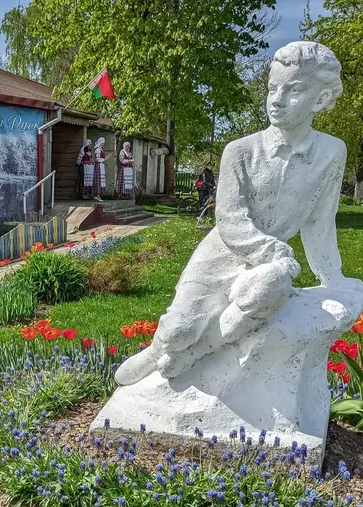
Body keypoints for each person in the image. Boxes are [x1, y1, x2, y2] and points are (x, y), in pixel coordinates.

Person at [116, 40, 350, 386]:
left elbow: (320, 220)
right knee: (180, 329)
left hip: (269, 266)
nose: (277, 99)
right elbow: (229, 217)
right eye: (272, 88)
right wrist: (273, 250)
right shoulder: (241, 151)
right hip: (222, 254)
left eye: (294, 90)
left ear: (321, 99)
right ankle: (158, 351)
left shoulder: (331, 153)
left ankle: (199, 353)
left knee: (271, 286)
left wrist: (332, 278)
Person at [93, 137, 107, 201]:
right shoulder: (98, 149)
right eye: (102, 143)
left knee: (101, 180)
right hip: (98, 166)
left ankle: (98, 195)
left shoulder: (101, 149)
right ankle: (97, 195)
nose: (103, 144)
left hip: (101, 165)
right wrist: (105, 159)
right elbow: (97, 159)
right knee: (98, 180)